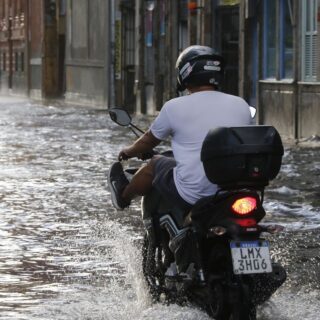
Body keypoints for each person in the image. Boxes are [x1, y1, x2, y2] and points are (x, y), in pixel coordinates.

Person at [108, 45, 252, 213]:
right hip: (232, 191)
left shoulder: (174, 107)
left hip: (192, 194)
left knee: (155, 163)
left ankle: (123, 197)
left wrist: (127, 152)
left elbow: (148, 141)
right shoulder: (241, 104)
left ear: (185, 73)